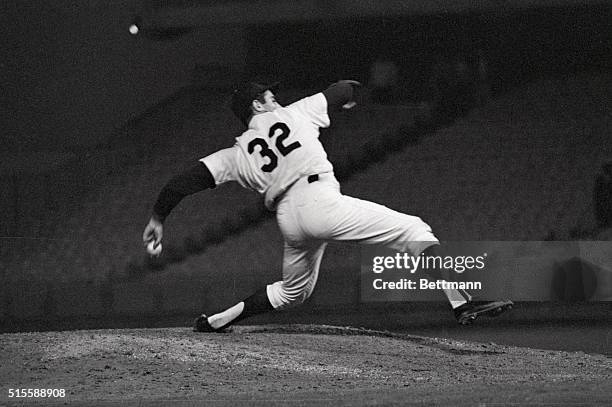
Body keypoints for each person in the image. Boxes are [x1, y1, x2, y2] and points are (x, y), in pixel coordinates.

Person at [142, 78, 512, 331]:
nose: (277, 99)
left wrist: (159, 217)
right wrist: (348, 95)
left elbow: (182, 182)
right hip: (320, 200)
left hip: (288, 218)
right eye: (271, 96)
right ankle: (461, 300)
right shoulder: (296, 113)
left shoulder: (236, 154)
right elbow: (345, 88)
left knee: (293, 293)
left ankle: (217, 321)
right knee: (414, 229)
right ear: (258, 104)